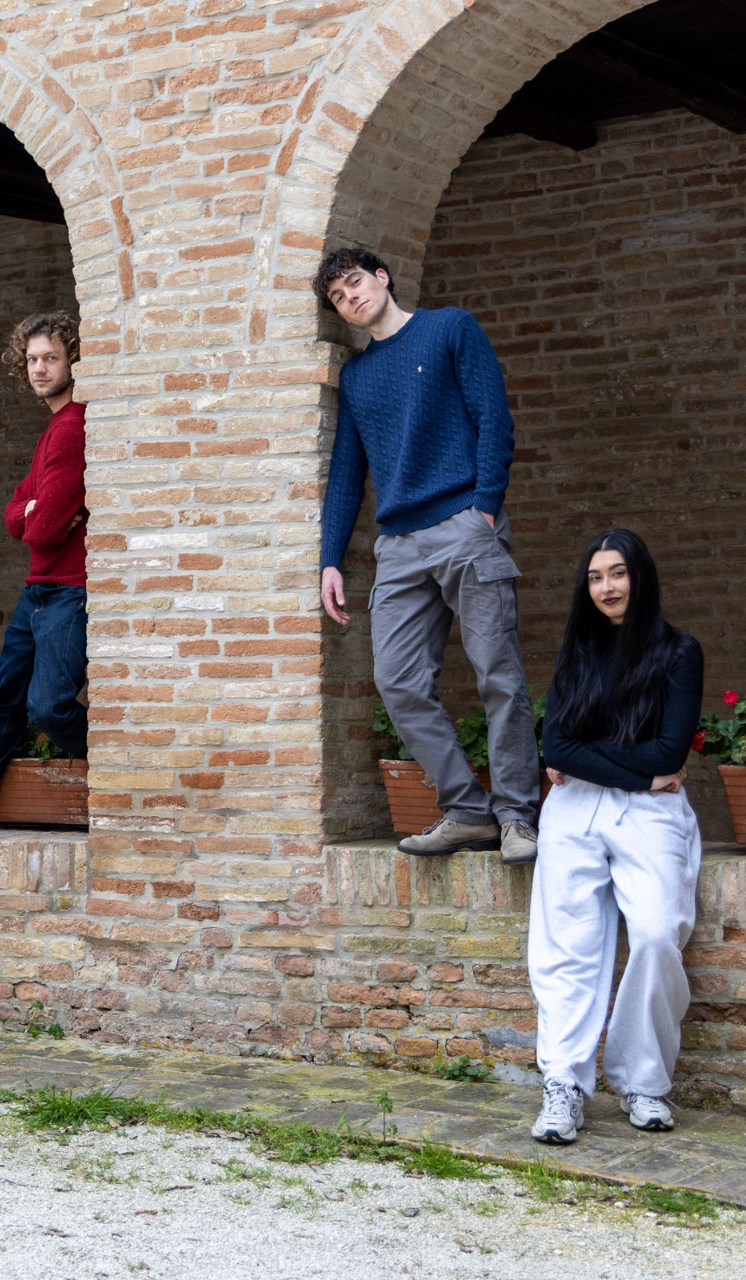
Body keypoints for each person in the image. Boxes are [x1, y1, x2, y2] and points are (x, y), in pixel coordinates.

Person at [314, 246, 540, 865]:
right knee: (397, 678)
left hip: (464, 521)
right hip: (400, 545)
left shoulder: (450, 328)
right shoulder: (358, 376)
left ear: (382, 278)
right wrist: (331, 558)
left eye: (355, 284)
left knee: (498, 673)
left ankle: (518, 815)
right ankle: (469, 810)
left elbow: (493, 418)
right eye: (338, 297)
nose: (351, 299)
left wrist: (485, 509)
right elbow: (345, 473)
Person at [529, 529, 703, 1145]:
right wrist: (636, 765)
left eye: (618, 573)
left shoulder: (679, 653)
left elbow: (670, 750)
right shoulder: (576, 649)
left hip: (652, 815)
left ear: (642, 576)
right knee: (567, 947)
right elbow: (556, 747)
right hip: (575, 810)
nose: (606, 587)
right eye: (596, 577)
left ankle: (642, 1079)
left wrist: (584, 755)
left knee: (657, 932)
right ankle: (565, 1085)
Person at [0, 312, 89, 828]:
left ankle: (112, 766)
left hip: (69, 592)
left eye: (51, 357)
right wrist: (29, 510)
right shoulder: (53, 428)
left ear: (73, 357)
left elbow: (42, 528)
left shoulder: (73, 428)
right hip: (38, 591)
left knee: (48, 706)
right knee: (3, 702)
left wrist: (33, 512)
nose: (39, 368)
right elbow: (16, 515)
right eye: (31, 359)